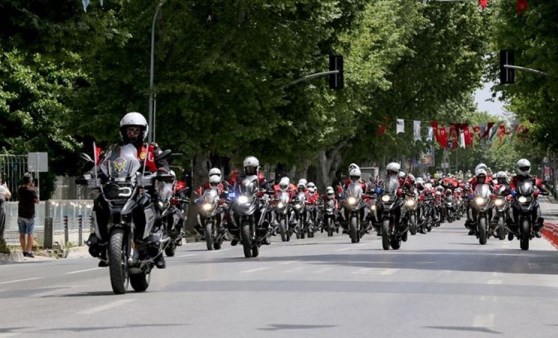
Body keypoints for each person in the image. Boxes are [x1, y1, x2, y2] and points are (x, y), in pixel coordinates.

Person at [89, 112, 170, 268]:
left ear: (142, 131)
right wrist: (94, 173)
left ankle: (156, 249)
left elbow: (163, 164)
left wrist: (163, 171)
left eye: (135, 130)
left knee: (157, 207)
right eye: (129, 131)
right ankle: (100, 241)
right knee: (99, 203)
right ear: (123, 132)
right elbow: (104, 165)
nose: (132, 134)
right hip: (120, 188)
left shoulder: (151, 149)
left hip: (143, 189)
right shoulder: (115, 150)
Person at [509, 159, 547, 237]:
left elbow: (539, 184)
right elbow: (511, 186)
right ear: (518, 168)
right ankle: (513, 224)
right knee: (511, 207)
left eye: (526, 168)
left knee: (537, 206)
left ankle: (536, 225)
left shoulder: (532, 178)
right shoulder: (515, 179)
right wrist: (512, 191)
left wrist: (543, 190)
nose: (524, 170)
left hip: (530, 197)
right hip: (518, 197)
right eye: (522, 168)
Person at [18, 173, 39, 258]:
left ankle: (23, 251)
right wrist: (34, 189)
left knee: (22, 234)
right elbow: (37, 201)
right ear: (30, 181)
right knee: (30, 234)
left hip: (21, 214)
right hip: (30, 215)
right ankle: (28, 251)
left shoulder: (20, 189)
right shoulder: (32, 191)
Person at [0, 175, 12, 244]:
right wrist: (6, 187)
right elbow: (9, 195)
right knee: (1, 225)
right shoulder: (2, 187)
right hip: (1, 207)